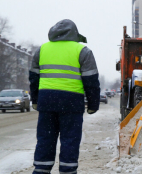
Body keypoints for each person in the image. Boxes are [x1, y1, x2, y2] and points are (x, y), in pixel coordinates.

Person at [29, 19, 100, 173]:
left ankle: (41, 170)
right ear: (74, 33)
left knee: (45, 139)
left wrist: (35, 100)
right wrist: (93, 104)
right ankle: (67, 171)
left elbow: (34, 78)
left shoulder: (41, 50)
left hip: (46, 102)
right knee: (70, 141)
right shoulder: (83, 51)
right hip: (71, 103)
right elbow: (91, 80)